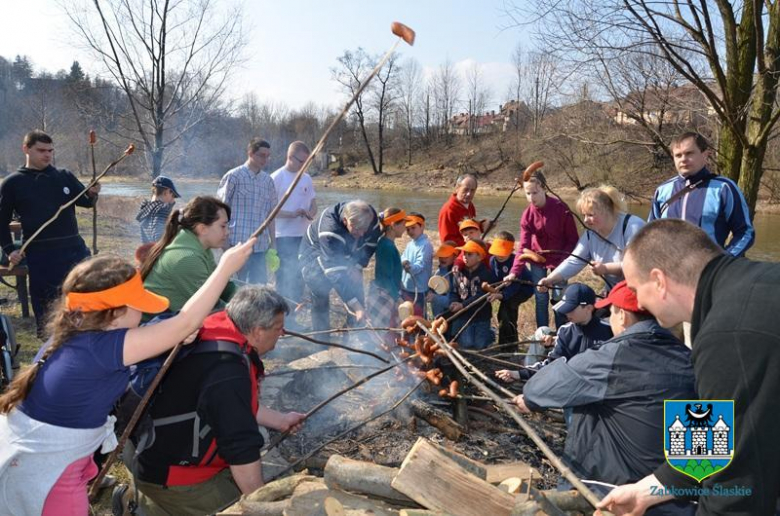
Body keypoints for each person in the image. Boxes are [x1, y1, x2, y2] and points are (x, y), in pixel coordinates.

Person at [0, 240, 253, 515]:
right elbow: (186, 322)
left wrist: (171, 334)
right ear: (114, 313)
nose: (143, 311)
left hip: (42, 457)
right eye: (137, 305)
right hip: (49, 472)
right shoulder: (102, 348)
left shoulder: (81, 334)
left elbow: (176, 327)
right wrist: (224, 268)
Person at [598, 219, 780, 516]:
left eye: (635, 288)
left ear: (659, 281)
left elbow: (736, 489)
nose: (638, 302)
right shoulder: (741, 289)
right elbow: (715, 431)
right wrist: (648, 489)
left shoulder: (728, 334)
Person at [512, 280, 696, 516]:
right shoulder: (695, 363)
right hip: (684, 504)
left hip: (612, 497)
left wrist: (531, 400)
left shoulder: (612, 356)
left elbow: (537, 389)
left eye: (611, 312)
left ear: (624, 317)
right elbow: (707, 456)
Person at [117, 286, 305, 516]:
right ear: (257, 331)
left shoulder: (213, 325)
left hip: (144, 448)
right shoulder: (227, 369)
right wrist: (261, 506)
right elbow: (240, 448)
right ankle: (141, 506)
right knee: (238, 505)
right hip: (172, 474)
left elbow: (232, 405)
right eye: (278, 328)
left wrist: (281, 420)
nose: (282, 333)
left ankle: (143, 503)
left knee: (233, 484)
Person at [0, 130, 101, 337]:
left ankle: (87, 339)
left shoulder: (63, 176)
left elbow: (86, 202)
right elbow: (1, 222)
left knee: (84, 299)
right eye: (41, 150)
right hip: (41, 254)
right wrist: (10, 249)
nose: (47, 155)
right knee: (48, 308)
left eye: (50, 150)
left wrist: (92, 193)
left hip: (74, 250)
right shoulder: (12, 183)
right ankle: (50, 347)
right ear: (26, 149)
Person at [648, 132, 754, 257]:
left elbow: (745, 232)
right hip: (668, 271)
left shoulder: (724, 188)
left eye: (689, 153)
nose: (683, 159)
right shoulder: (662, 190)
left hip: (708, 272)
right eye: (678, 155)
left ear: (705, 154)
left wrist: (725, 260)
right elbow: (650, 233)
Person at [496, 283, 611, 382]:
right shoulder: (566, 332)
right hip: (574, 390)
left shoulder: (609, 331)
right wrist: (517, 374)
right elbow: (551, 364)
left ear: (589, 308)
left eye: (571, 309)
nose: (567, 314)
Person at [505, 175, 579, 329]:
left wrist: (562, 262)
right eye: (528, 193)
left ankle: (561, 333)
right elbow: (523, 247)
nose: (531, 197)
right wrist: (514, 272)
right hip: (537, 259)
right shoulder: (527, 215)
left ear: (544, 189)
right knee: (540, 297)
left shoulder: (561, 209)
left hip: (560, 259)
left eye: (535, 192)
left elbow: (572, 240)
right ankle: (542, 335)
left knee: (559, 297)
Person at [141, 196, 236, 313]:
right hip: (152, 325)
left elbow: (223, 286)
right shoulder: (188, 258)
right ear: (202, 229)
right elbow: (211, 306)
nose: (227, 232)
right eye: (223, 226)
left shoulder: (200, 247)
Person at [540, 186, 644, 292]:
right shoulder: (591, 234)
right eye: (584, 215)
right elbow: (575, 261)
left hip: (640, 290)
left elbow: (638, 265)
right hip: (614, 290)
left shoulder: (632, 226)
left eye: (590, 215)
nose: (585, 220)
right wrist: (550, 279)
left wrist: (606, 268)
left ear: (607, 210)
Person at [299, 200, 381, 331]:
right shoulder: (330, 230)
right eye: (357, 231)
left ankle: (356, 333)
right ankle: (322, 339)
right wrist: (357, 307)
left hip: (346, 256)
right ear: (345, 221)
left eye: (365, 230)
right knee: (320, 294)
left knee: (355, 283)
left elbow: (371, 244)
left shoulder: (370, 218)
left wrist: (357, 265)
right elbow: (334, 272)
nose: (362, 234)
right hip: (314, 258)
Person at [218, 138, 277, 284]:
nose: (265, 159)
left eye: (268, 156)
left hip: (260, 246)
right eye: (262, 155)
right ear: (250, 153)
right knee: (236, 288)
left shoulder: (268, 181)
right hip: (236, 244)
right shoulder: (233, 176)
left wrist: (273, 243)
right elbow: (220, 210)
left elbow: (271, 214)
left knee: (258, 289)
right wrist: (224, 242)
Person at [270, 141, 317, 305]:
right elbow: (269, 211)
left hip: (303, 237)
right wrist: (291, 214)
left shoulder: (306, 178)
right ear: (290, 157)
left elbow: (313, 202)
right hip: (283, 237)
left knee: (299, 278)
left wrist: (311, 213)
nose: (304, 165)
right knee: (284, 279)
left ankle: (293, 319)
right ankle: (283, 321)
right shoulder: (277, 178)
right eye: (301, 161)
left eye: (307, 162)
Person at [449, 239, 496, 350]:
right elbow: (454, 291)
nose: (465, 257)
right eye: (464, 254)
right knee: (466, 344)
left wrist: (462, 305)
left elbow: (480, 296)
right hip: (465, 316)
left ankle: (491, 333)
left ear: (479, 257)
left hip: (481, 316)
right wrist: (453, 301)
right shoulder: (459, 272)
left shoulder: (485, 273)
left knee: (480, 345)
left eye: (469, 254)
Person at [488, 231, 533, 344]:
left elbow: (515, 285)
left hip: (522, 289)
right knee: (503, 314)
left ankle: (509, 345)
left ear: (511, 251)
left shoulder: (515, 262)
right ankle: (506, 343)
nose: (500, 255)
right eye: (498, 252)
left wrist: (502, 295)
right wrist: (491, 289)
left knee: (507, 311)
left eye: (504, 252)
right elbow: (493, 279)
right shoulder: (493, 260)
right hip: (505, 289)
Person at [367, 208, 407, 333]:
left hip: (388, 291)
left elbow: (389, 270)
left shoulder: (387, 243)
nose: (405, 228)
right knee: (379, 331)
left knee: (387, 328)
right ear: (393, 225)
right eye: (403, 224)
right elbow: (385, 277)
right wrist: (397, 298)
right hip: (383, 294)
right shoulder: (386, 246)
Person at [401, 212, 434, 317]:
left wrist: (409, 267)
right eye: (408, 229)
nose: (410, 231)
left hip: (419, 289)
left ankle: (420, 333)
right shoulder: (410, 244)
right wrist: (403, 262)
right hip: (406, 286)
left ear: (422, 226)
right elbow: (403, 257)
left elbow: (420, 265)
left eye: (413, 228)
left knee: (418, 317)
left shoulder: (426, 245)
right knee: (406, 316)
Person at [135, 175, 181, 244]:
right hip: (159, 252)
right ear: (166, 192)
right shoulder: (162, 209)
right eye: (173, 195)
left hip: (148, 252)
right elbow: (159, 237)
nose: (173, 200)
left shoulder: (146, 208)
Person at [438, 174, 478, 246]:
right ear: (457, 188)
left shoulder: (470, 206)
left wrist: (482, 226)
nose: (469, 194)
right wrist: (470, 244)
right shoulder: (448, 210)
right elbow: (447, 241)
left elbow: (470, 228)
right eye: (465, 190)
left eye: (472, 190)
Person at [429, 241, 458, 318]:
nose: (442, 259)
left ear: (455, 257)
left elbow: (453, 300)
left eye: (446, 256)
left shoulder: (455, 275)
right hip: (437, 314)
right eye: (441, 256)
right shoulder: (437, 272)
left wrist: (435, 298)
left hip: (450, 316)